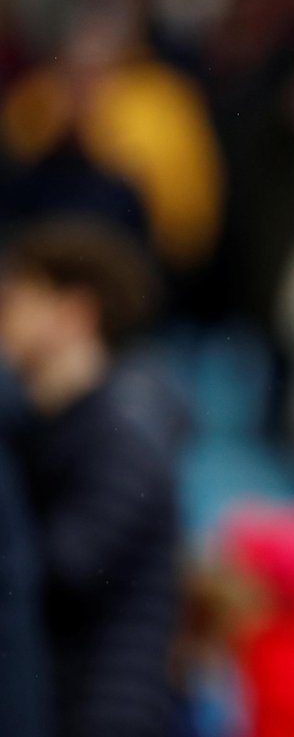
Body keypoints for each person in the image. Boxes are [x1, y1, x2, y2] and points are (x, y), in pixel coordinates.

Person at [0, 218, 184, 737]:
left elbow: (64, 569)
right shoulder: (50, 428)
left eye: (17, 299)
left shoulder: (123, 434)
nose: (3, 314)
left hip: (107, 712)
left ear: (74, 313)